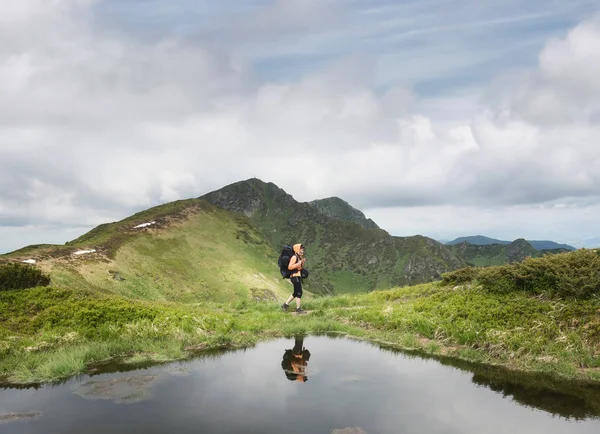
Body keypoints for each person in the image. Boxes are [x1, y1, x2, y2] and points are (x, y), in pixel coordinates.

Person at [281, 243, 306, 314]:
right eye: (301, 249)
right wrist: (298, 264)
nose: (302, 251)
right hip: (295, 277)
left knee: (295, 293)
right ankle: (298, 309)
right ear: (297, 249)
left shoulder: (299, 258)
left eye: (302, 249)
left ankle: (285, 305)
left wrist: (302, 263)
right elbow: (290, 267)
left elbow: (299, 268)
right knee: (299, 292)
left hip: (296, 276)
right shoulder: (294, 257)